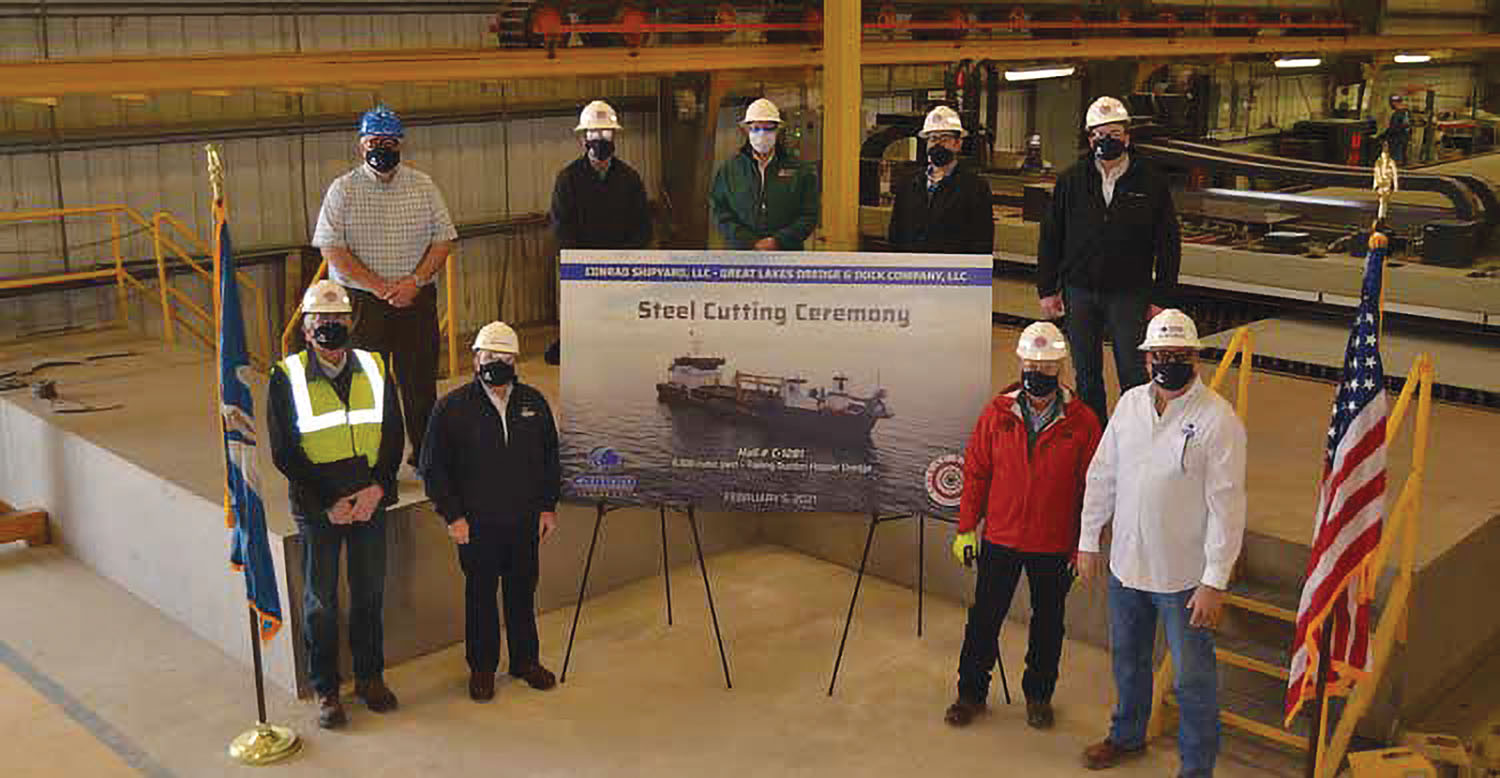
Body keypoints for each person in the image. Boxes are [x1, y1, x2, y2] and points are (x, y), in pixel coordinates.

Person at [1075, 309, 1247, 778]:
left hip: (1182, 578)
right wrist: (1089, 539)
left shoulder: (1219, 421)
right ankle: (1127, 735)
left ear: (1196, 359)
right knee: (1128, 661)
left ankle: (1196, 770)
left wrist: (1214, 581)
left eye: (1179, 355)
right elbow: (1102, 473)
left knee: (1193, 680)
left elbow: (1228, 508)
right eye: (1159, 355)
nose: (1167, 363)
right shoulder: (1130, 404)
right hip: (1127, 567)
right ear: (1146, 360)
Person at [946, 322, 1102, 730]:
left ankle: (1038, 696)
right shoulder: (997, 414)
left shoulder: (1083, 422)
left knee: (1048, 624)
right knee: (984, 619)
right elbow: (977, 472)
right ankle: (970, 693)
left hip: (1053, 545)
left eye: (1047, 366)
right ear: (1020, 363)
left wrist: (1082, 546)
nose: (1038, 372)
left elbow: (1094, 490)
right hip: (1001, 537)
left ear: (1061, 368)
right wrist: (966, 528)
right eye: (1032, 364)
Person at [266, 280, 405, 729]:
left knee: (369, 593)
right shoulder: (285, 376)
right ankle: (327, 689)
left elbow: (392, 435)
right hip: (319, 508)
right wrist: (328, 501)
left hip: (368, 500)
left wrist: (377, 489)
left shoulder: (376, 367)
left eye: (338, 320)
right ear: (306, 330)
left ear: (351, 323)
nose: (330, 327)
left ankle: (370, 678)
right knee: (321, 601)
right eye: (320, 322)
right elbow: (285, 452)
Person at [420, 322, 562, 702]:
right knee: (480, 596)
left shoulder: (534, 402)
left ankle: (525, 661)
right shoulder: (451, 409)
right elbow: (434, 468)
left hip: (523, 521)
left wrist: (547, 508)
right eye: (488, 356)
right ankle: (482, 669)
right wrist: (453, 516)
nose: (495, 364)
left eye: (504, 358)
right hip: (476, 525)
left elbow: (551, 459)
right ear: (475, 359)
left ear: (516, 361)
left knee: (522, 592)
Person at [312, 104, 459, 466]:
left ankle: (425, 457)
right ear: (361, 146)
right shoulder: (342, 190)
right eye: (375, 141)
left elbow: (444, 240)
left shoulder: (423, 186)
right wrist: (378, 286)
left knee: (420, 385)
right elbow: (332, 248)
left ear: (401, 145)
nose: (382, 148)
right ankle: (374, 460)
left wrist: (415, 281)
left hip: (416, 300)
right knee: (367, 387)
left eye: (390, 141)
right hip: (364, 305)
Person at [1037, 95, 1181, 426]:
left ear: (1127, 136)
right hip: (1079, 291)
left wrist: (1162, 297)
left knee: (1132, 370)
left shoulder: (1151, 181)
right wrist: (1047, 288)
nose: (1107, 140)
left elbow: (1169, 242)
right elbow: (1051, 236)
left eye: (1114, 132)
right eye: (1099, 134)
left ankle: (1137, 434)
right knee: (1086, 373)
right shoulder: (1071, 181)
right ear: (1090, 139)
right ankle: (1095, 436)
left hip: (1129, 293)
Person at [546, 99, 653, 365]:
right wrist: (587, 264)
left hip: (622, 271)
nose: (600, 139)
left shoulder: (630, 178)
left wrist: (621, 261)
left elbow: (643, 227)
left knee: (621, 333)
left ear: (614, 136)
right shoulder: (567, 179)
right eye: (594, 134)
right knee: (584, 333)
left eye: (605, 133)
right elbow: (562, 228)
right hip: (583, 272)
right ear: (583, 137)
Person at [710, 97, 820, 251]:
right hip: (742, 257)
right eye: (756, 128)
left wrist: (778, 241)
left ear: (778, 130)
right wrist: (749, 241)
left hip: (786, 257)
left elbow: (809, 214)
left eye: (768, 128)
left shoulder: (800, 171)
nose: (761, 134)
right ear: (747, 130)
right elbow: (719, 211)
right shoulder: (730, 170)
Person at [888, 105, 995, 256]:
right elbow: (895, 236)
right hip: (914, 273)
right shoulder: (908, 184)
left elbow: (982, 243)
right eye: (932, 138)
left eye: (944, 138)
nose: (937, 144)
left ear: (958, 144)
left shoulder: (975, 188)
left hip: (954, 275)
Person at [1384, 94, 1412, 166]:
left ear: (1394, 103)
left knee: (1396, 160)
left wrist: (1386, 135)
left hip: (1397, 140)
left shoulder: (1398, 114)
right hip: (1403, 138)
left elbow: (1395, 127)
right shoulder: (1406, 112)